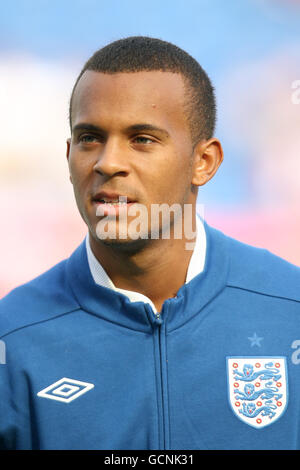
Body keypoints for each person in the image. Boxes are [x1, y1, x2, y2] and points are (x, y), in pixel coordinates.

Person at [0, 36, 299, 451]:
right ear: (68, 156)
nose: (108, 162)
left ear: (203, 162)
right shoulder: (12, 336)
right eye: (90, 138)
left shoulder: (290, 309)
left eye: (142, 139)